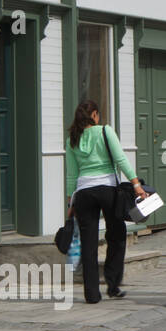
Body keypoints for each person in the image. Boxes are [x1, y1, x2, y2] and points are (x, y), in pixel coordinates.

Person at [64, 101, 148, 304]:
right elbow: (120, 159)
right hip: (107, 189)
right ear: (94, 115)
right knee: (117, 235)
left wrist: (70, 202)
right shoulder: (105, 131)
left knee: (89, 242)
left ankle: (91, 294)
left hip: (83, 192)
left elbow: (72, 174)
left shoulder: (72, 139)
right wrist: (136, 183)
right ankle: (112, 285)